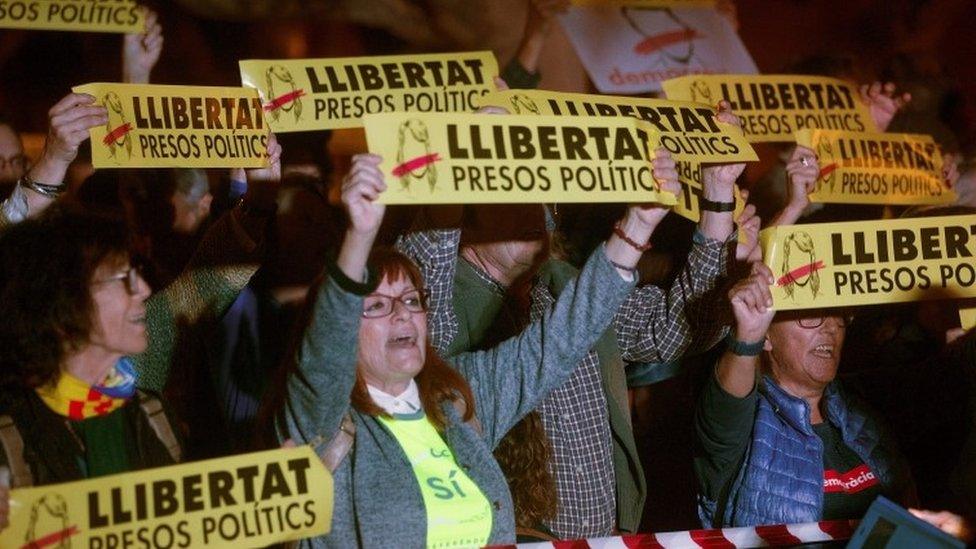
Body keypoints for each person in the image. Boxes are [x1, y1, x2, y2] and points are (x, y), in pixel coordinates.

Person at [272, 152, 675, 547]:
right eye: (376, 305)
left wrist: (637, 225)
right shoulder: (321, 417)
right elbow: (323, 348)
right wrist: (359, 235)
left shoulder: (459, 396)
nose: (402, 315)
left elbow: (561, 338)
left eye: (412, 300)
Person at [398, 104, 747, 538]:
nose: (537, 210)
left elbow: (673, 329)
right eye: (513, 193)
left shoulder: (565, 285)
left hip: (606, 535)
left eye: (545, 197)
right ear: (469, 212)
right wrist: (459, 151)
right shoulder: (430, 304)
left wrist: (716, 199)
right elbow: (425, 256)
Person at [694, 262, 915, 527]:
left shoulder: (865, 413)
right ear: (765, 337)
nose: (831, 327)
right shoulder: (744, 425)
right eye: (809, 313)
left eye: (838, 314)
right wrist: (747, 337)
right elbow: (726, 404)